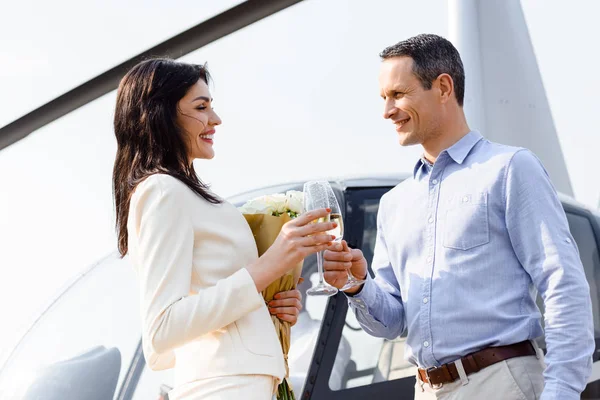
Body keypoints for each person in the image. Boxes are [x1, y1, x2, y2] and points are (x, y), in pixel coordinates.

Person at [323, 34, 594, 400]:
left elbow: (563, 285)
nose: (387, 111)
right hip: (426, 390)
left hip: (503, 384)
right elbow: (393, 322)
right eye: (383, 98)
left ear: (444, 87)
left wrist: (561, 392)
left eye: (398, 94)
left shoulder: (510, 169)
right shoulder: (394, 205)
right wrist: (358, 285)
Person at [111, 58, 337, 400]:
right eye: (201, 107)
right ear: (161, 114)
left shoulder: (183, 193)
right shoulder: (162, 190)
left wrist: (267, 310)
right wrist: (269, 265)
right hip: (225, 387)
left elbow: (173, 347)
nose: (215, 119)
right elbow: (161, 332)